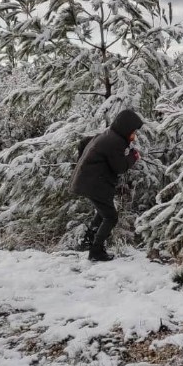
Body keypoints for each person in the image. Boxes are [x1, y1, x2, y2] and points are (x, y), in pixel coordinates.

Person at [70, 108, 143, 262]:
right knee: (111, 217)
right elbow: (120, 167)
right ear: (125, 128)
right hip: (94, 184)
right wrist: (133, 156)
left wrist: (84, 162)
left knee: (102, 212)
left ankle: (88, 241)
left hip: (91, 181)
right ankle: (95, 251)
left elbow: (84, 142)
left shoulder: (109, 135)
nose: (134, 135)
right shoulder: (114, 141)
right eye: (133, 131)